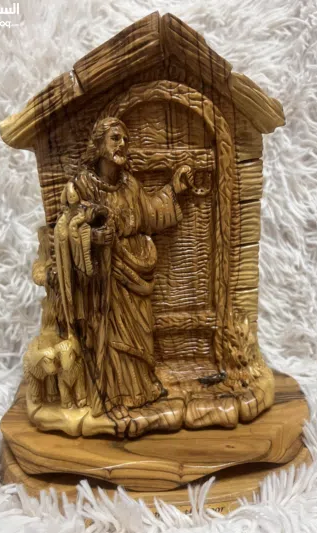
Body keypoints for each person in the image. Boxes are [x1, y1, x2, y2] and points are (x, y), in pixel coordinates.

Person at [54, 116, 193, 417]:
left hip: (135, 271)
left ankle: (140, 389)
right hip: (104, 277)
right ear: (99, 143)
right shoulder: (81, 186)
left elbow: (151, 213)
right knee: (110, 336)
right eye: (115, 138)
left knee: (140, 331)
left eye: (125, 140)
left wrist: (174, 189)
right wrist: (92, 238)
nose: (122, 145)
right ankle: (114, 395)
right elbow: (65, 228)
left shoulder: (130, 185)